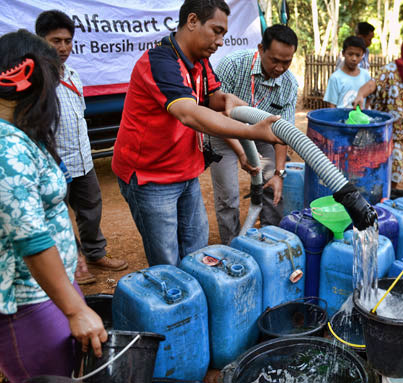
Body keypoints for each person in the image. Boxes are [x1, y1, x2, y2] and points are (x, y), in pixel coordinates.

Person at [111, 0, 282, 266]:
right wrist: (251, 130)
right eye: (216, 30)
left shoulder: (200, 62)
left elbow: (213, 99)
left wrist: (228, 101)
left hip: (186, 171)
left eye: (224, 34)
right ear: (192, 21)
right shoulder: (160, 62)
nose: (221, 41)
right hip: (150, 178)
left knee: (197, 250)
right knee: (167, 261)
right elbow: (189, 113)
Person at [0, 29, 106, 382]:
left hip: (48, 286)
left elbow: (49, 209)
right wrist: (76, 310)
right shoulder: (6, 149)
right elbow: (30, 237)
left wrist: (71, 251)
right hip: (26, 299)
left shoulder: (20, 135)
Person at [35, 10, 128, 285]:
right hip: (54, 165)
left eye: (67, 40)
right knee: (57, 216)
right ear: (41, 41)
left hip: (83, 161)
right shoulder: (37, 81)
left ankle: (95, 253)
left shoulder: (74, 74)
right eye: (55, 41)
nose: (63, 47)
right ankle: (72, 264)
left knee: (91, 209)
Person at [211, 24, 298, 245]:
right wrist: (241, 153)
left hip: (262, 136)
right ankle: (233, 246)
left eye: (286, 62)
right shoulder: (233, 65)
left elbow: (282, 132)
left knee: (274, 185)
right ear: (261, 49)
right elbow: (217, 115)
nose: (280, 68)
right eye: (275, 60)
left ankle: (270, 241)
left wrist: (278, 173)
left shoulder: (289, 85)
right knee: (228, 196)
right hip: (224, 132)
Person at [353, 32, 403, 192]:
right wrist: (360, 94)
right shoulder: (391, 70)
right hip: (394, 134)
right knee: (395, 169)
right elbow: (373, 84)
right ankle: (390, 200)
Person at [324, 36, 371, 108]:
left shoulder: (366, 75)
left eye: (358, 55)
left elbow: (368, 100)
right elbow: (331, 105)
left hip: (361, 119)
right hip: (341, 119)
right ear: (343, 53)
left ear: (362, 55)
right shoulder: (335, 78)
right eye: (350, 54)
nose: (354, 59)